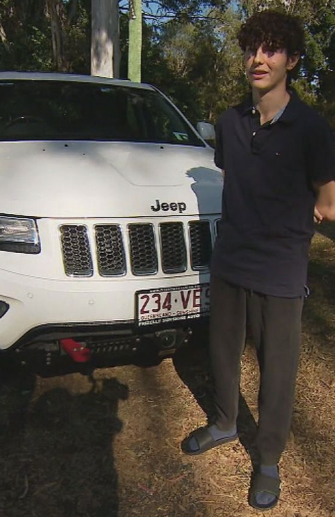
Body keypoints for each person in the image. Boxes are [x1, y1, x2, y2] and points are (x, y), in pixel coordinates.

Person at [178, 10, 335, 510]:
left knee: (278, 369)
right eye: (251, 49)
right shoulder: (229, 122)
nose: (258, 59)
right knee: (222, 353)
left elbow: (328, 201)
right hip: (231, 261)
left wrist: (303, 221)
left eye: (271, 49)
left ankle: (268, 459)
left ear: (291, 59)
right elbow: (233, 175)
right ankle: (224, 423)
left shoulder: (311, 127)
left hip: (281, 268)